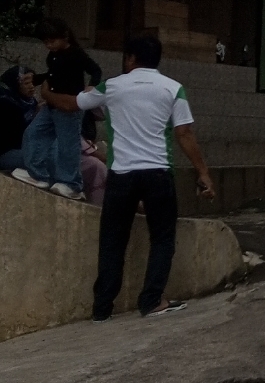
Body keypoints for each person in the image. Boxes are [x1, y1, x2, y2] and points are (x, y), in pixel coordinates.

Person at [73, 32, 216, 319]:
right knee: (162, 238)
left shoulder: (112, 86)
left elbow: (77, 103)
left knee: (113, 240)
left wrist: (48, 93)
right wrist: (203, 173)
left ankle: (102, 308)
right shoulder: (173, 88)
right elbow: (184, 133)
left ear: (130, 58)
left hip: (121, 174)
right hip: (158, 174)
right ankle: (151, 300)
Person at [14, 17, 102, 199]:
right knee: (34, 133)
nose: (49, 46)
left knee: (67, 145)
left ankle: (72, 184)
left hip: (69, 107)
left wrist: (92, 86)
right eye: (46, 42)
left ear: (65, 37)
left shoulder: (76, 54)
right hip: (52, 105)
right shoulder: (53, 56)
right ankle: (39, 174)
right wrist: (37, 79)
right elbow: (52, 74)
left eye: (52, 41)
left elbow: (95, 70)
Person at [0, 64, 39, 174]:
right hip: (2, 154)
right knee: (41, 159)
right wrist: (37, 117)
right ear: (15, 84)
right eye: (26, 83)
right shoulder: (2, 104)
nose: (32, 87)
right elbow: (18, 138)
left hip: (24, 151)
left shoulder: (30, 103)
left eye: (33, 83)